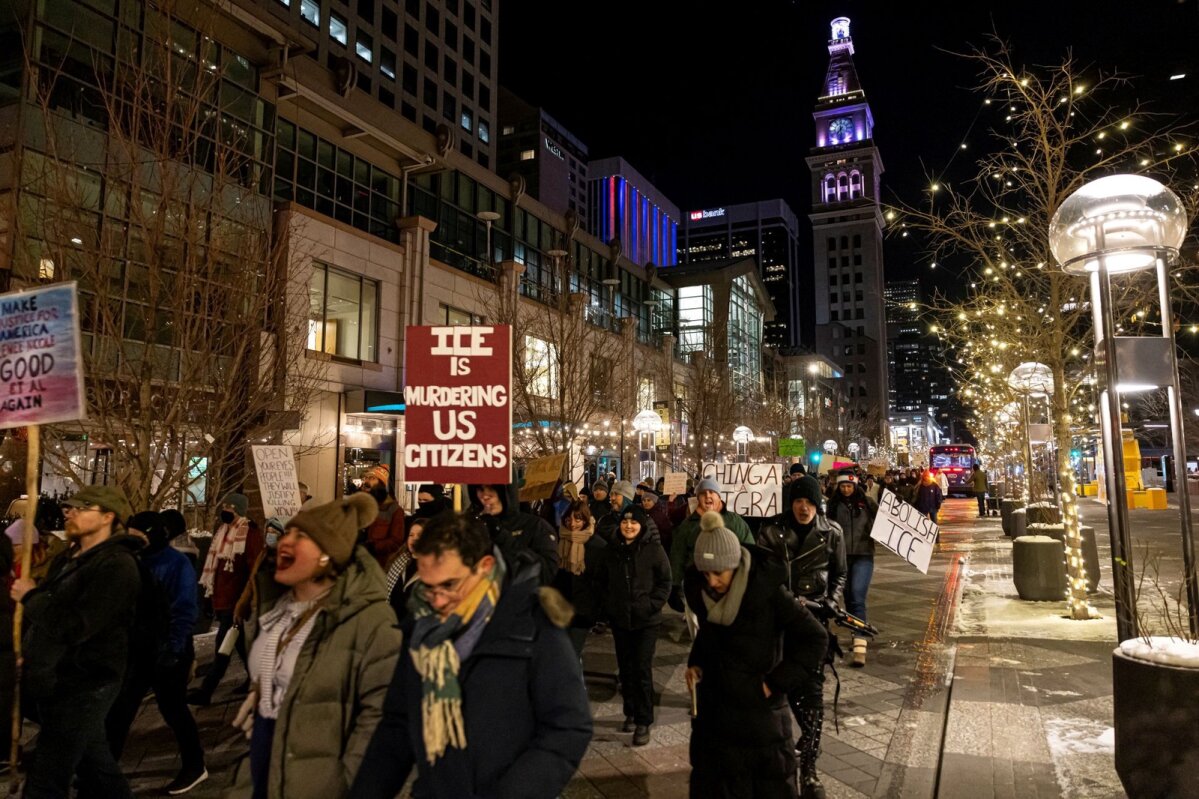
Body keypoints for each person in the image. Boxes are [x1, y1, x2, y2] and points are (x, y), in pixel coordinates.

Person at [348, 511, 593, 799]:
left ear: (484, 567)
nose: (437, 601)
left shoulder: (531, 626)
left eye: (449, 585)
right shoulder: (421, 630)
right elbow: (397, 727)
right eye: (428, 587)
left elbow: (568, 726)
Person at [226, 493, 402, 799]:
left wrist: (344, 783)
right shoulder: (279, 609)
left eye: (301, 536)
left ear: (327, 555)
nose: (285, 542)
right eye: (288, 533)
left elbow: (382, 718)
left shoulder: (370, 621)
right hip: (267, 770)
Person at [684, 511, 828, 798]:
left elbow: (815, 638)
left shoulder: (768, 592)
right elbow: (709, 633)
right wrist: (696, 663)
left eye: (718, 573)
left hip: (760, 721)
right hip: (716, 719)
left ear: (735, 565)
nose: (712, 581)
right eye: (706, 574)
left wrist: (774, 683)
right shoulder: (704, 593)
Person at [13, 485, 140, 799]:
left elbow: (77, 626)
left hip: (87, 682)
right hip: (58, 678)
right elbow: (50, 618)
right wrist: (28, 650)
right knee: (96, 768)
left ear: (108, 517)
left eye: (81, 508)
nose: (69, 513)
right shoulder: (69, 559)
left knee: (46, 777)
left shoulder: (117, 566)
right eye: (68, 508)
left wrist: (31, 597)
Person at [756, 475, 847, 798]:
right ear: (791, 503)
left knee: (813, 694)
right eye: (798, 501)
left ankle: (809, 770)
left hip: (815, 624)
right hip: (781, 624)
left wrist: (831, 601)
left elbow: (839, 574)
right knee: (787, 686)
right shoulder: (771, 531)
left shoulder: (832, 532)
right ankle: (800, 750)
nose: (804, 507)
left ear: (817, 503)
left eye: (809, 501)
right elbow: (762, 575)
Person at [104, 510, 207, 794]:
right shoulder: (131, 560)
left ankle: (195, 765)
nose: (135, 542)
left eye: (140, 537)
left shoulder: (176, 564)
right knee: (120, 711)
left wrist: (174, 648)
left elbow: (185, 609)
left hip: (168, 649)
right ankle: (103, 769)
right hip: (137, 650)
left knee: (173, 709)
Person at [593, 504, 671, 746]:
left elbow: (665, 581)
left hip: (646, 621)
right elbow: (601, 581)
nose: (628, 526)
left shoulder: (653, 550)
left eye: (634, 522)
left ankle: (643, 720)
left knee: (641, 668)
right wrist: (609, 606)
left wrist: (650, 605)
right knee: (625, 668)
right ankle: (630, 711)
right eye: (625, 522)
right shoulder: (611, 550)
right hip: (620, 619)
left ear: (641, 526)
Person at [190, 492, 262, 706]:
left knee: (223, 645)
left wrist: (246, 598)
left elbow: (254, 568)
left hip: (236, 600)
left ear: (239, 509)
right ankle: (256, 679)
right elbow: (215, 570)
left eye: (230, 507)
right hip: (222, 599)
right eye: (224, 507)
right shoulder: (222, 532)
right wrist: (210, 599)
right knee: (237, 642)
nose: (225, 510)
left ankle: (207, 689)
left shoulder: (249, 533)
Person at [667, 477, 754, 635]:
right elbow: (678, 555)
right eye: (703, 493)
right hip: (696, 588)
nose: (708, 496)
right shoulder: (687, 526)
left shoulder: (735, 522)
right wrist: (674, 585)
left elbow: (750, 551)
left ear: (719, 496)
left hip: (729, 587)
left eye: (712, 492)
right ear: (698, 497)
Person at [825, 475, 878, 668]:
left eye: (849, 486)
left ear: (855, 486)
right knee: (847, 598)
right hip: (841, 557)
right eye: (843, 486)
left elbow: (886, 521)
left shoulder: (867, 503)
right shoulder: (833, 506)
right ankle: (857, 634)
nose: (846, 489)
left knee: (857, 596)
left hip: (863, 555)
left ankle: (860, 648)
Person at [469, 480, 560, 584]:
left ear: (507, 491)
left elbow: (546, 573)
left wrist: (501, 535)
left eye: (492, 488)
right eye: (480, 489)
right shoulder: (474, 526)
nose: (485, 496)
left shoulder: (536, 526)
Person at [552, 499, 605, 659]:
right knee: (560, 654)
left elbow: (602, 581)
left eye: (578, 519)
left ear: (586, 520)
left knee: (571, 654)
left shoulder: (597, 546)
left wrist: (596, 609)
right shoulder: (558, 541)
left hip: (583, 610)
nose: (573, 524)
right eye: (569, 519)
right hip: (560, 608)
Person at [360, 464, 407, 568]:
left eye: (372, 478)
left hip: (379, 566)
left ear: (381, 484)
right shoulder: (360, 505)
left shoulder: (394, 510)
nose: (367, 481)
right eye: (366, 478)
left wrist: (372, 546)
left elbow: (396, 542)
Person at [384, 517, 427, 624]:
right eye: (411, 535)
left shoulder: (432, 570)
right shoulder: (399, 562)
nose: (414, 538)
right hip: (391, 623)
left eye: (419, 535)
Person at [641, 488, 674, 553]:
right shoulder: (642, 513)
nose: (646, 502)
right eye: (644, 500)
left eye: (649, 500)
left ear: (654, 501)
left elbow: (666, 536)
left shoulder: (660, 516)